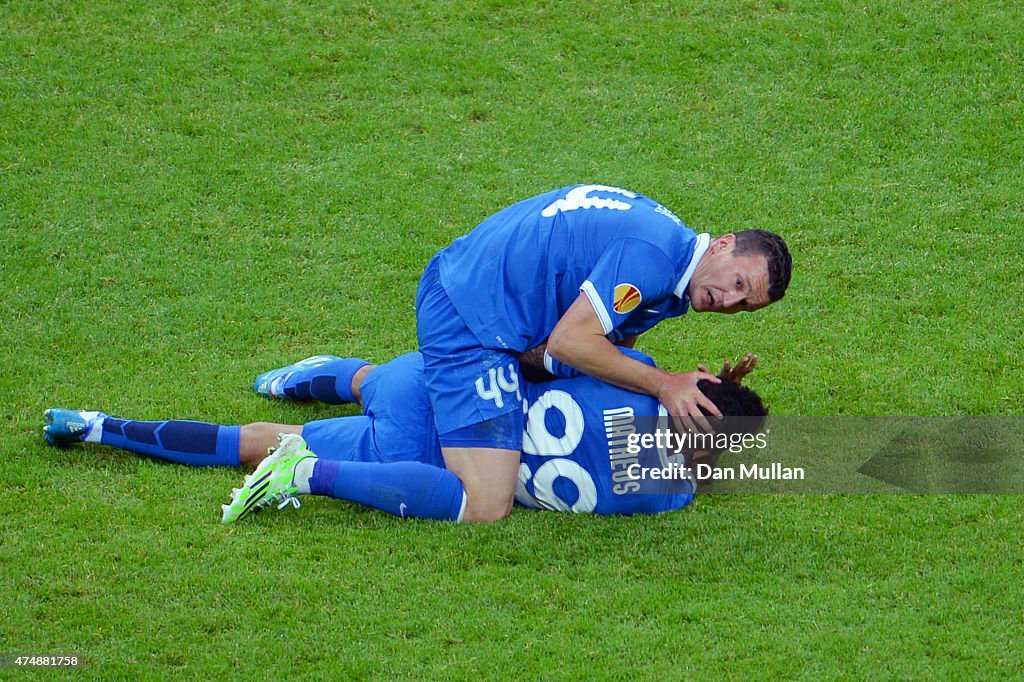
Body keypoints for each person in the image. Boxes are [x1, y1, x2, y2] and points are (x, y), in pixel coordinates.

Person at [414, 184, 791, 521]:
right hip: (467, 315)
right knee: (487, 504)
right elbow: (569, 343)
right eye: (737, 282)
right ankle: (351, 468)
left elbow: (596, 358)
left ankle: (357, 378)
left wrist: (721, 403)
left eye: (744, 305)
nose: (729, 301)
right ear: (723, 244)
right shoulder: (655, 259)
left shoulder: (674, 262)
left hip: (480, 296)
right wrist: (664, 384)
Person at [43, 351, 767, 523]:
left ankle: (331, 371)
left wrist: (696, 380)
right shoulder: (666, 497)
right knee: (262, 441)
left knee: (370, 385)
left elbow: (543, 353)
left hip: (435, 392)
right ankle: (101, 426)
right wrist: (728, 413)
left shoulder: (637, 373)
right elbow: (700, 470)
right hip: (427, 459)